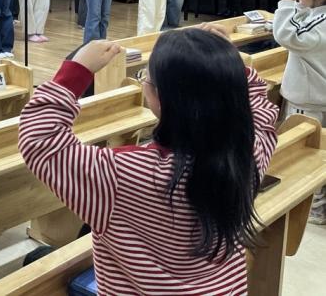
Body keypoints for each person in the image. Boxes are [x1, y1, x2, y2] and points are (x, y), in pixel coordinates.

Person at [18, 28, 278, 294]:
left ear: (160, 98)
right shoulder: (246, 156)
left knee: (37, 259)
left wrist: (77, 70)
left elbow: (39, 140)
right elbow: (262, 112)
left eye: (146, 78)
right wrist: (226, 64)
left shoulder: (121, 175)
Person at [274, 0, 326, 224]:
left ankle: (314, 209)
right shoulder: (319, 17)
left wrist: (286, 5)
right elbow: (304, 24)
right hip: (317, 98)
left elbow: (286, 35)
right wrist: (301, 6)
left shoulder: (319, 26)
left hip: (308, 100)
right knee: (319, 149)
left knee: (303, 153)